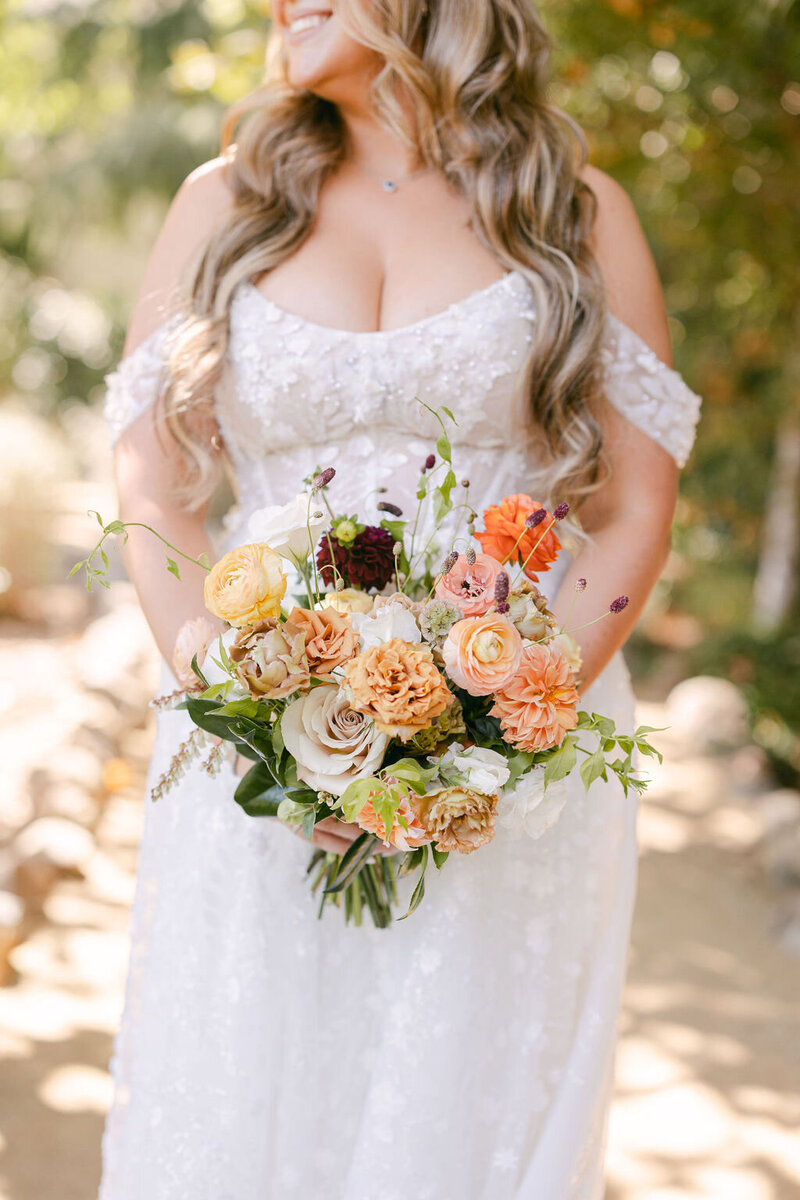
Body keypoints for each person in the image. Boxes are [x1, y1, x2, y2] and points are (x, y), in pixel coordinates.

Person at [97, 2, 701, 1197]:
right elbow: (150, 491)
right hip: (252, 765)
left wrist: (485, 735)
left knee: (457, 1111)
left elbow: (632, 506)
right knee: (241, 1099)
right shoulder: (221, 203)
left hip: (513, 772)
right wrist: (236, 695)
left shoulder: (572, 212)